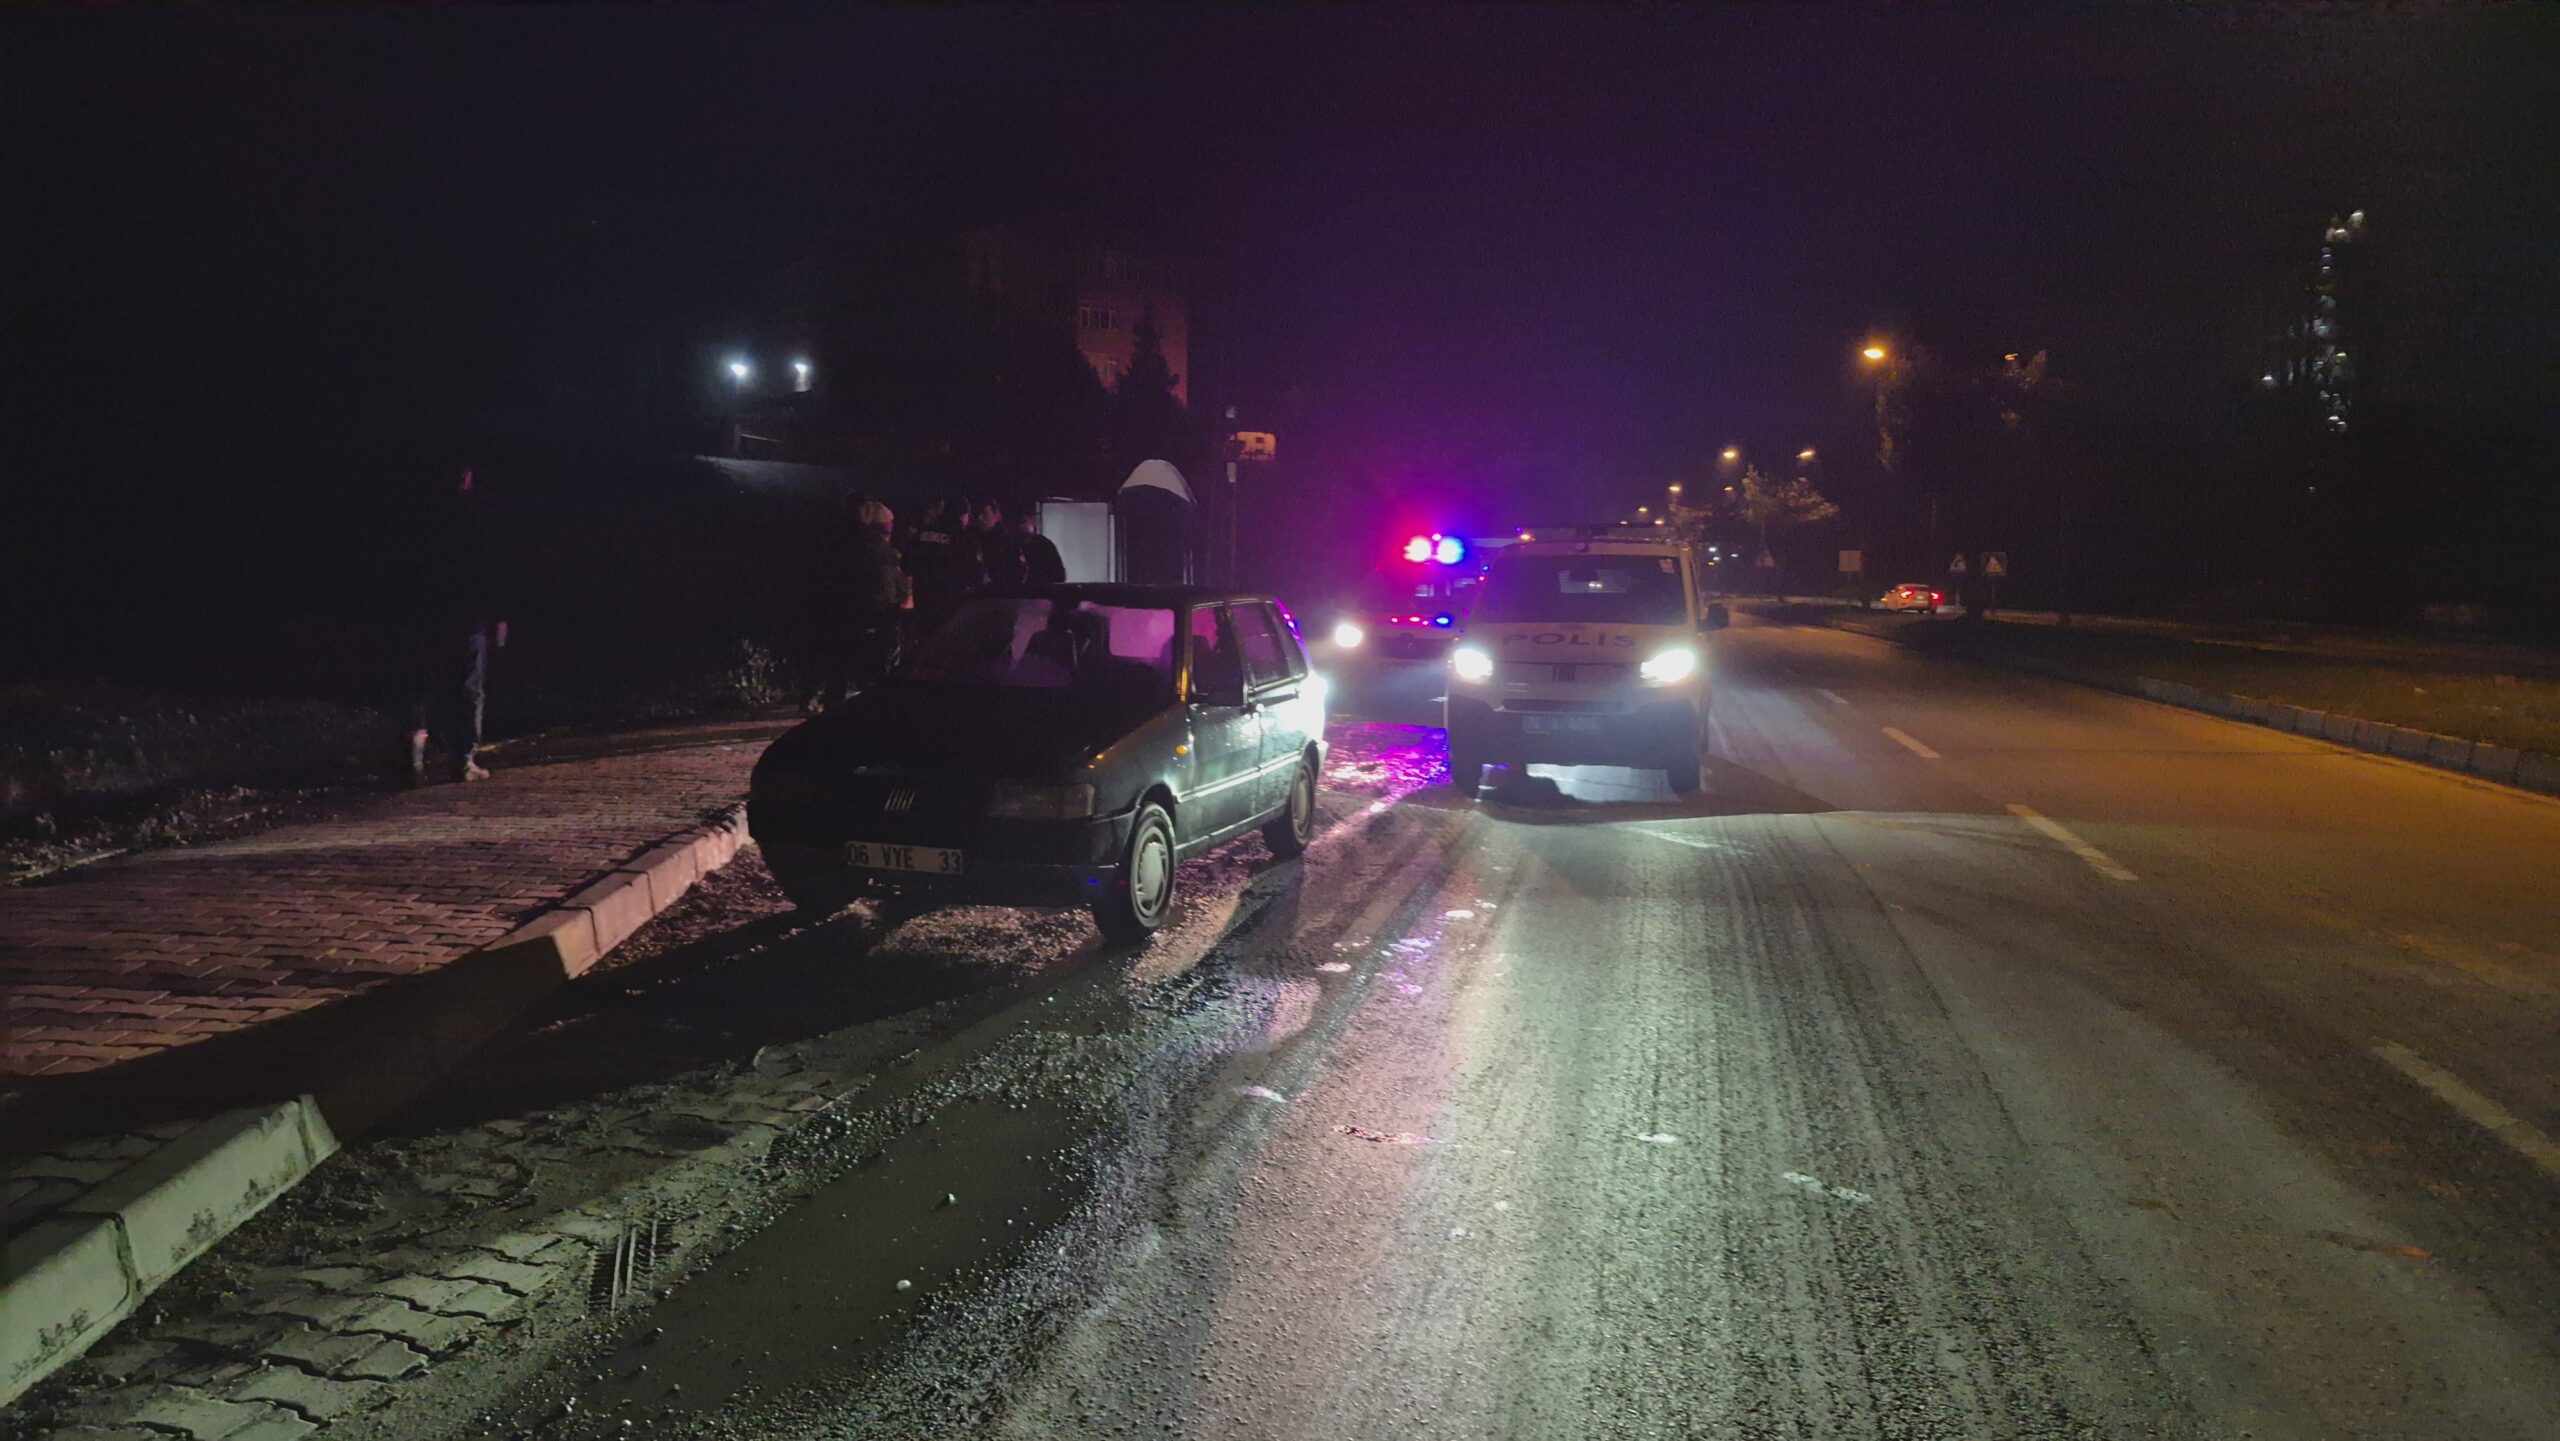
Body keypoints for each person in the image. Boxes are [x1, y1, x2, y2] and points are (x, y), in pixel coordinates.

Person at [406, 462, 507, 785]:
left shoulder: (420, 516)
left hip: (426, 608)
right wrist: (497, 613)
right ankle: (462, 759)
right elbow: (487, 565)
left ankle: (413, 745)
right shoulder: (472, 514)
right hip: (466, 611)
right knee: (467, 684)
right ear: (466, 478)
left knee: (425, 680)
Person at [803, 491, 905, 711]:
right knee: (873, 670)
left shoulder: (840, 540)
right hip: (872, 617)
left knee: (837, 667)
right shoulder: (883, 552)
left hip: (842, 612)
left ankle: (829, 703)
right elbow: (889, 588)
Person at [903, 498, 970, 627]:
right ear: (962, 515)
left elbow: (906, 564)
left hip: (923, 599)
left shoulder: (923, 533)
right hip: (951, 603)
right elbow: (974, 571)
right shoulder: (962, 538)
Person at [973, 498, 1025, 591]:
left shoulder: (1007, 541)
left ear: (996, 514)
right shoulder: (975, 538)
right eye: (977, 514)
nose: (979, 518)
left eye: (984, 514)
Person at [1013, 510, 1068, 586]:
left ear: (1032, 521)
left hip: (1041, 592)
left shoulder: (1044, 545)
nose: (1021, 526)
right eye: (1018, 522)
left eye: (1024, 521)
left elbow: (1059, 574)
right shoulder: (1011, 544)